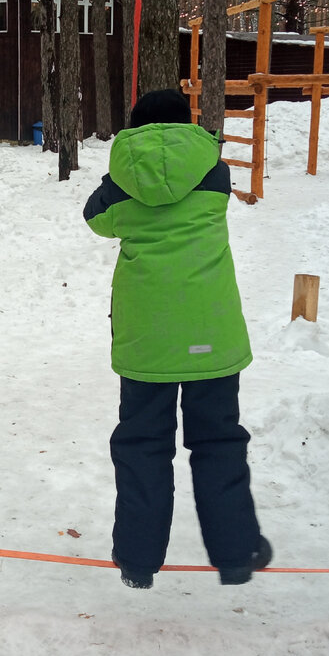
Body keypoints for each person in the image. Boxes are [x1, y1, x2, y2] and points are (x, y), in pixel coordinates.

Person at [83, 88, 270, 590]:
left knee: (142, 444)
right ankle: (236, 554)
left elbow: (94, 218)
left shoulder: (121, 183)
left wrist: (116, 173)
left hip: (148, 338)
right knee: (218, 443)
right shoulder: (215, 170)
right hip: (212, 329)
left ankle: (138, 561)